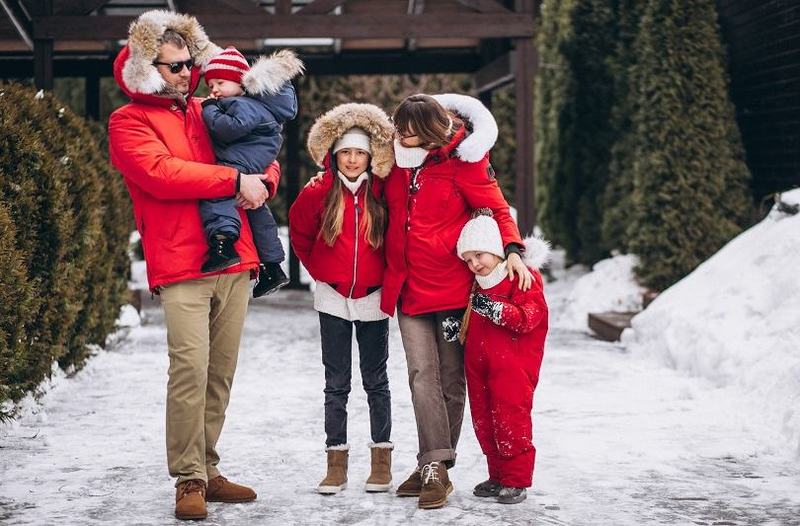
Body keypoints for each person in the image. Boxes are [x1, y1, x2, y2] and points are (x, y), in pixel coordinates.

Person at [108, 10, 279, 520]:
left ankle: (207, 466)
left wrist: (265, 181)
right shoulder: (128, 121)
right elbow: (162, 173)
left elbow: (261, 147)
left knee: (220, 373)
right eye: (174, 67)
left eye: (189, 65)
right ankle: (188, 478)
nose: (188, 74)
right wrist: (232, 181)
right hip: (182, 264)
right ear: (145, 68)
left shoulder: (209, 110)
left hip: (235, 259)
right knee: (190, 370)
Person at [382, 93, 533, 509]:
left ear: (431, 133)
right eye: (400, 131)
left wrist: (515, 250)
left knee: (450, 379)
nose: (402, 140)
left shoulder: (463, 165)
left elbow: (498, 209)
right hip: (408, 290)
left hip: (452, 293)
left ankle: (437, 466)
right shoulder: (394, 165)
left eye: (411, 135)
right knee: (419, 374)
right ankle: (434, 463)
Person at [289, 103, 396, 495]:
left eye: (359, 153)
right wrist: (321, 272)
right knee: (336, 384)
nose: (352, 160)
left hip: (373, 297)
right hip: (332, 298)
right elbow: (300, 236)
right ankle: (336, 463)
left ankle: (381, 461)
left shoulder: (382, 192)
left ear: (370, 156)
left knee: (376, 381)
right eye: (345, 153)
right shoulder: (319, 191)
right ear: (335, 157)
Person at [455, 212, 549, 505]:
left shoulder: (521, 277)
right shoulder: (476, 285)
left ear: (496, 248)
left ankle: (516, 479)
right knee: (485, 421)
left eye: (479, 255)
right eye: (468, 260)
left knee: (511, 420)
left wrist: (495, 309)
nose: (475, 264)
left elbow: (529, 317)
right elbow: (473, 322)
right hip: (481, 367)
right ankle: (497, 475)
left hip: (513, 369)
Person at [200, 46, 303, 297]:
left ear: (239, 82)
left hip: (240, 161)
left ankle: (223, 244)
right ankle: (273, 266)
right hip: (254, 160)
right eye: (210, 85)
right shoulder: (251, 104)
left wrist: (209, 109)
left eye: (220, 83)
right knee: (256, 210)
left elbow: (228, 128)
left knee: (216, 193)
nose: (214, 90)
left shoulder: (241, 104)